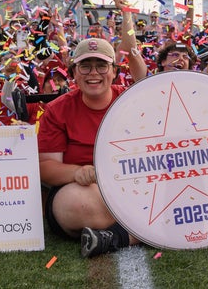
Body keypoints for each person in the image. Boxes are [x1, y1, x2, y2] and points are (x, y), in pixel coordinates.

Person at [37, 38, 134, 258]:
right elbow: (45, 167)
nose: (93, 73)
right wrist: (77, 172)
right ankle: (148, 227)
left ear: (114, 71)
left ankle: (117, 237)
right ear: (73, 73)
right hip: (83, 189)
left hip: (132, 187)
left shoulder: (132, 101)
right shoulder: (57, 110)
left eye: (101, 66)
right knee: (80, 205)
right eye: (85, 66)